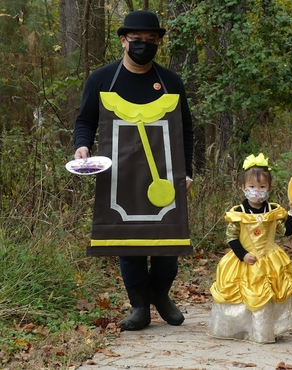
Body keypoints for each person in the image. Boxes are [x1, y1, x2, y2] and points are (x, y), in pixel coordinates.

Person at [73, 10, 194, 331]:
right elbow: (85, 120)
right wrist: (82, 145)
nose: (143, 45)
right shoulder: (101, 78)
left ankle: (161, 293)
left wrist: (188, 171)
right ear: (123, 40)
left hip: (165, 176)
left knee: (169, 245)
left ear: (158, 42)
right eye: (137, 40)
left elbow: (186, 130)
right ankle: (139, 306)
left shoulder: (171, 81)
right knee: (130, 245)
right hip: (120, 175)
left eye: (150, 40)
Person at [207, 153, 292, 344]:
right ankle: (240, 329)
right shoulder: (238, 213)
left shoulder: (273, 211)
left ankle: (262, 332)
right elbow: (231, 237)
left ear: (269, 188)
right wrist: (243, 255)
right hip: (245, 259)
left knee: (265, 295)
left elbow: (286, 231)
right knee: (242, 295)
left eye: (262, 187)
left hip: (269, 260)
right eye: (251, 187)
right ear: (243, 188)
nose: (257, 191)